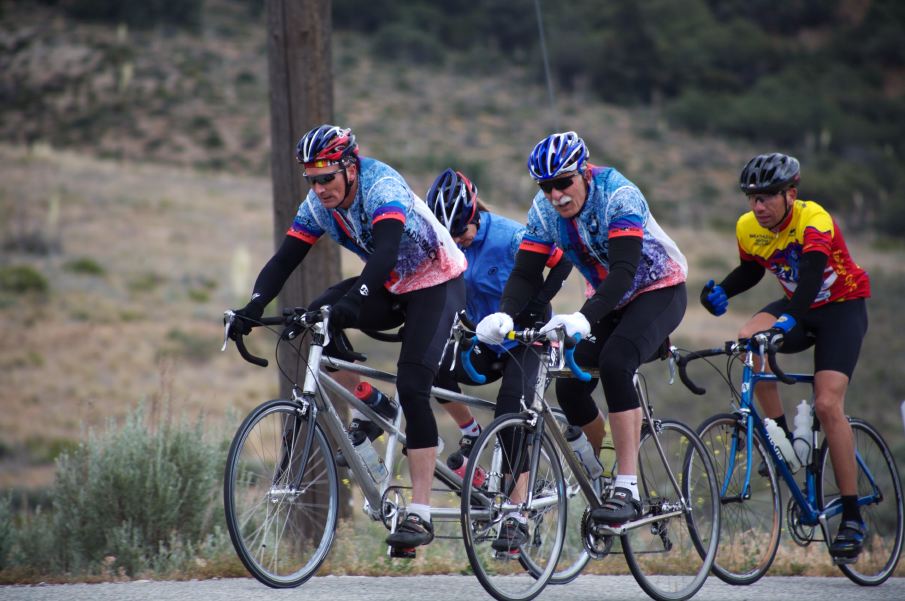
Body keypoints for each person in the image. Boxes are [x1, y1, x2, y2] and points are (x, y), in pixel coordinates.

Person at [230, 124, 467, 550]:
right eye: (312, 180)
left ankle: (420, 513)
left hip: (436, 284)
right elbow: (285, 258)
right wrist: (253, 306)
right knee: (318, 313)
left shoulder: (382, 187)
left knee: (414, 386)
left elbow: (385, 254)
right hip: (393, 285)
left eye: (327, 178)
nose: (319, 189)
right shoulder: (318, 204)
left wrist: (356, 298)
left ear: (351, 168)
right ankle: (371, 402)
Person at [476, 131, 688, 525]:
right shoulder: (543, 212)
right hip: (609, 299)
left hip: (658, 289)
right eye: (546, 186)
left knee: (616, 361)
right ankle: (604, 468)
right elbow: (525, 273)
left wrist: (585, 316)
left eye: (563, 183)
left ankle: (628, 485)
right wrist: (505, 313)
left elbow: (625, 272)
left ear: (584, 172)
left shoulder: (618, 195)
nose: (555, 195)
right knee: (570, 385)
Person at [700, 152, 871, 561]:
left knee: (829, 405)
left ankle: (851, 516)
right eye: (752, 198)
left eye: (768, 197)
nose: (759, 207)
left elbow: (811, 278)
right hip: (798, 306)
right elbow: (753, 269)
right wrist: (722, 290)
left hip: (841, 309)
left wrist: (787, 323)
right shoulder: (748, 227)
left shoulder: (814, 219)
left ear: (791, 194)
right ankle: (782, 439)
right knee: (746, 338)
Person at [425, 168, 573, 551]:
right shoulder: (446, 244)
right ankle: (473, 436)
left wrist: (538, 305)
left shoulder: (508, 236)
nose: (455, 241)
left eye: (460, 232)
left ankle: (517, 510)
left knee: (511, 414)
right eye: (448, 235)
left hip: (528, 339)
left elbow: (563, 260)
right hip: (486, 340)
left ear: (474, 216)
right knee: (432, 367)